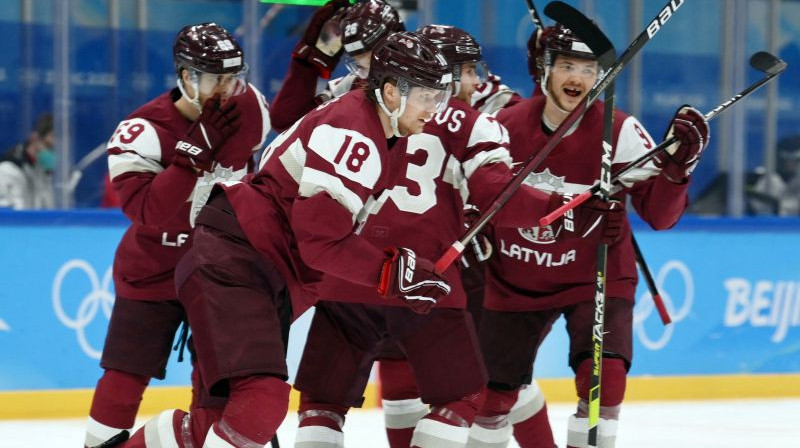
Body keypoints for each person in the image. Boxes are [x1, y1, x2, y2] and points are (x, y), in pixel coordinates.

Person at [117, 31, 459, 448]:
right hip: (238, 261)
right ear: (391, 91)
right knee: (261, 402)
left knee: (227, 414)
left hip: (251, 266)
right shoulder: (354, 130)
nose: (435, 109)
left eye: (438, 96)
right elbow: (321, 241)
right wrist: (392, 273)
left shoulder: (373, 127)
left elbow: (329, 239)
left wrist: (399, 269)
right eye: (426, 95)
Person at [289, 24, 621, 448]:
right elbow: (498, 195)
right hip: (429, 281)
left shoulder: (359, 103)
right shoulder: (473, 123)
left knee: (323, 404)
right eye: (465, 72)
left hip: (349, 274)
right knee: (463, 397)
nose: (474, 82)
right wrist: (561, 210)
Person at [466, 23, 710, 448]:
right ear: (544, 70)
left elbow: (660, 216)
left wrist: (678, 172)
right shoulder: (502, 126)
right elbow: (477, 202)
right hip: (513, 281)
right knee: (490, 399)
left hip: (594, 278)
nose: (576, 77)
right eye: (565, 65)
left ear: (600, 75)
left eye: (586, 67)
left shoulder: (620, 131)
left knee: (605, 381)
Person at [83, 23, 271, 448]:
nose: (226, 89)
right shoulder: (141, 130)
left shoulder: (252, 109)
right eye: (214, 78)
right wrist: (189, 158)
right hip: (153, 271)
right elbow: (149, 214)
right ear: (185, 76)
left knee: (222, 380)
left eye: (233, 77)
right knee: (125, 372)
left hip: (222, 271)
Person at [270, 0, 404, 132]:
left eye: (373, 65)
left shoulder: (422, 87)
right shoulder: (350, 86)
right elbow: (286, 123)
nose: (369, 78)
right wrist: (309, 61)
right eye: (360, 67)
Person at [0, 113, 55, 209]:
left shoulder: (42, 170)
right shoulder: (7, 170)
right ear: (35, 138)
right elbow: (11, 216)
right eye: (49, 147)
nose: (53, 154)